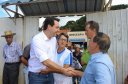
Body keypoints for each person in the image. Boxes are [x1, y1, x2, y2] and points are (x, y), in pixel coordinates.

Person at [28, 17, 75, 84]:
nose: (58, 30)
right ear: (49, 27)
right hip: (37, 76)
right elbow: (45, 62)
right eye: (57, 27)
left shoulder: (54, 39)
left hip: (50, 74)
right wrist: (64, 70)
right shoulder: (37, 39)